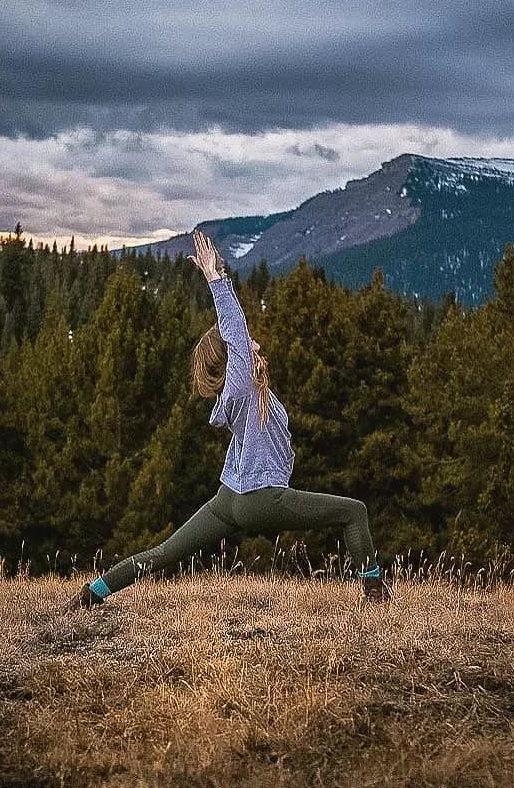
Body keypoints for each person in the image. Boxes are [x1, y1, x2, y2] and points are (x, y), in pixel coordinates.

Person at [64, 228, 391, 611]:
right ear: (232, 358)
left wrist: (223, 274)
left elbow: (238, 340)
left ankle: (90, 595)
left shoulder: (245, 393)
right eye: (242, 344)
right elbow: (236, 331)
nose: (254, 342)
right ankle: (376, 596)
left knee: (166, 552)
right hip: (260, 499)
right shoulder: (242, 388)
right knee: (355, 512)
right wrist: (215, 279)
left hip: (228, 499)